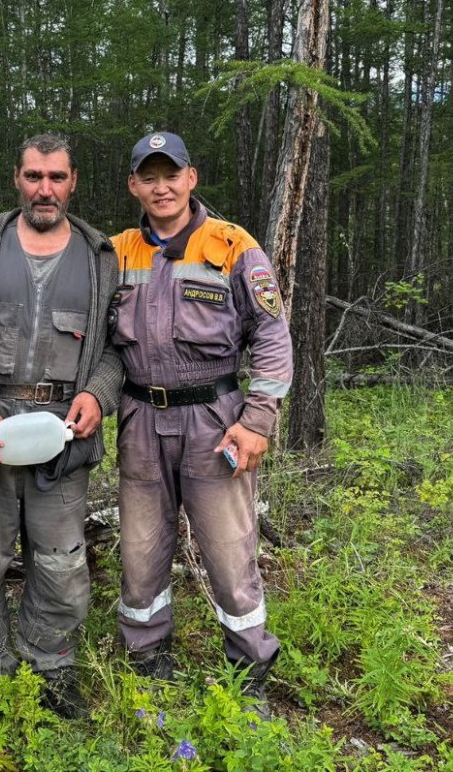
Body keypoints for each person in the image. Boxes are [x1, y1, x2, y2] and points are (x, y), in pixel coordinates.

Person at [0, 133, 122, 719]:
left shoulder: (101, 257)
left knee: (60, 561)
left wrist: (97, 393)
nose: (45, 188)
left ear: (73, 181)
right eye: (34, 176)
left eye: (56, 177)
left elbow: (119, 345)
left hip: (64, 436)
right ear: (17, 178)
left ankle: (52, 667)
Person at [110, 131, 292, 718]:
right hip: (139, 418)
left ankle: (248, 670)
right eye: (148, 176)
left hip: (217, 421)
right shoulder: (113, 253)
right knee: (140, 550)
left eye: (172, 174)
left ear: (191, 178)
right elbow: (45, 250)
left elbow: (272, 336)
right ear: (134, 185)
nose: (161, 186)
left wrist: (259, 419)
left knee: (230, 551)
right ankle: (146, 657)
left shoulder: (233, 246)